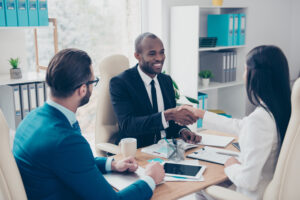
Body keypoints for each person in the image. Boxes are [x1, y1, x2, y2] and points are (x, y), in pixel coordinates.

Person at [13, 48, 165, 200]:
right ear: (82, 89)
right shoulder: (66, 141)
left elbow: (73, 162)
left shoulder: (31, 118)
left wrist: (112, 164)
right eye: (94, 82)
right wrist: (150, 178)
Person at [181, 45, 291, 200]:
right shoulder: (281, 110)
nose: (243, 75)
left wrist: (231, 165)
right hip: (267, 187)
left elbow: (248, 180)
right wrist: (201, 114)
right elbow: (240, 126)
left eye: (245, 70)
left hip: (251, 194)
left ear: (256, 77)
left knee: (200, 187)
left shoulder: (260, 120)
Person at [109, 32, 201, 148]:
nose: (159, 58)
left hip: (169, 149)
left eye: (162, 52)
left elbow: (171, 122)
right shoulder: (121, 83)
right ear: (137, 56)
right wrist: (167, 115)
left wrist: (182, 130)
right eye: (152, 54)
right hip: (140, 150)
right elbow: (128, 125)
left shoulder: (166, 81)